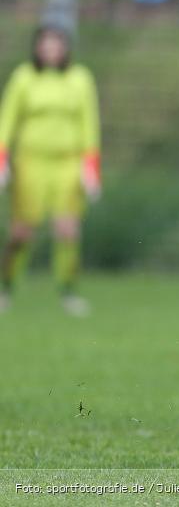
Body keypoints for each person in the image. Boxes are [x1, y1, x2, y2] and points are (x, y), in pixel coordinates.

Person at [0, 25, 101, 317]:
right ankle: (6, 287)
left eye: (57, 45)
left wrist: (91, 166)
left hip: (67, 162)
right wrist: (2, 158)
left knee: (68, 229)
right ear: (37, 48)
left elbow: (89, 123)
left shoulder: (80, 79)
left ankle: (68, 292)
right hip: (30, 161)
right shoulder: (24, 78)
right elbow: (7, 120)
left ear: (66, 48)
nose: (51, 50)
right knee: (22, 231)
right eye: (46, 44)